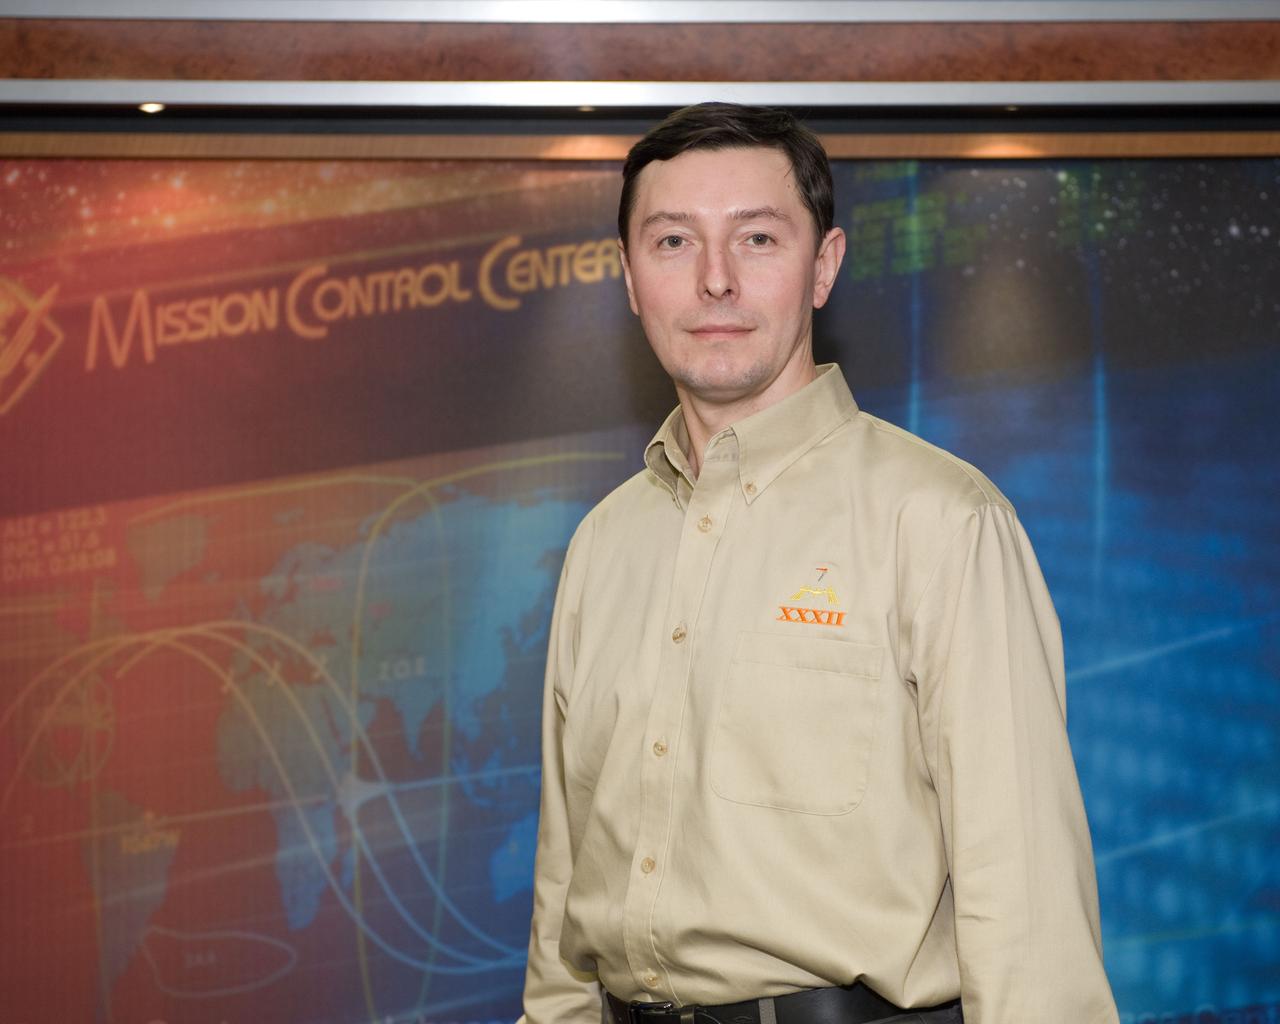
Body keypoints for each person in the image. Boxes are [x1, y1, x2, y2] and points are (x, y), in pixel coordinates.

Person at [518, 102, 1118, 1024]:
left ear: (824, 266)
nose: (715, 280)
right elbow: (565, 887)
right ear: (632, 279)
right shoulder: (604, 542)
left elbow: (1027, 904)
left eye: (757, 238)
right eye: (673, 242)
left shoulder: (941, 523)